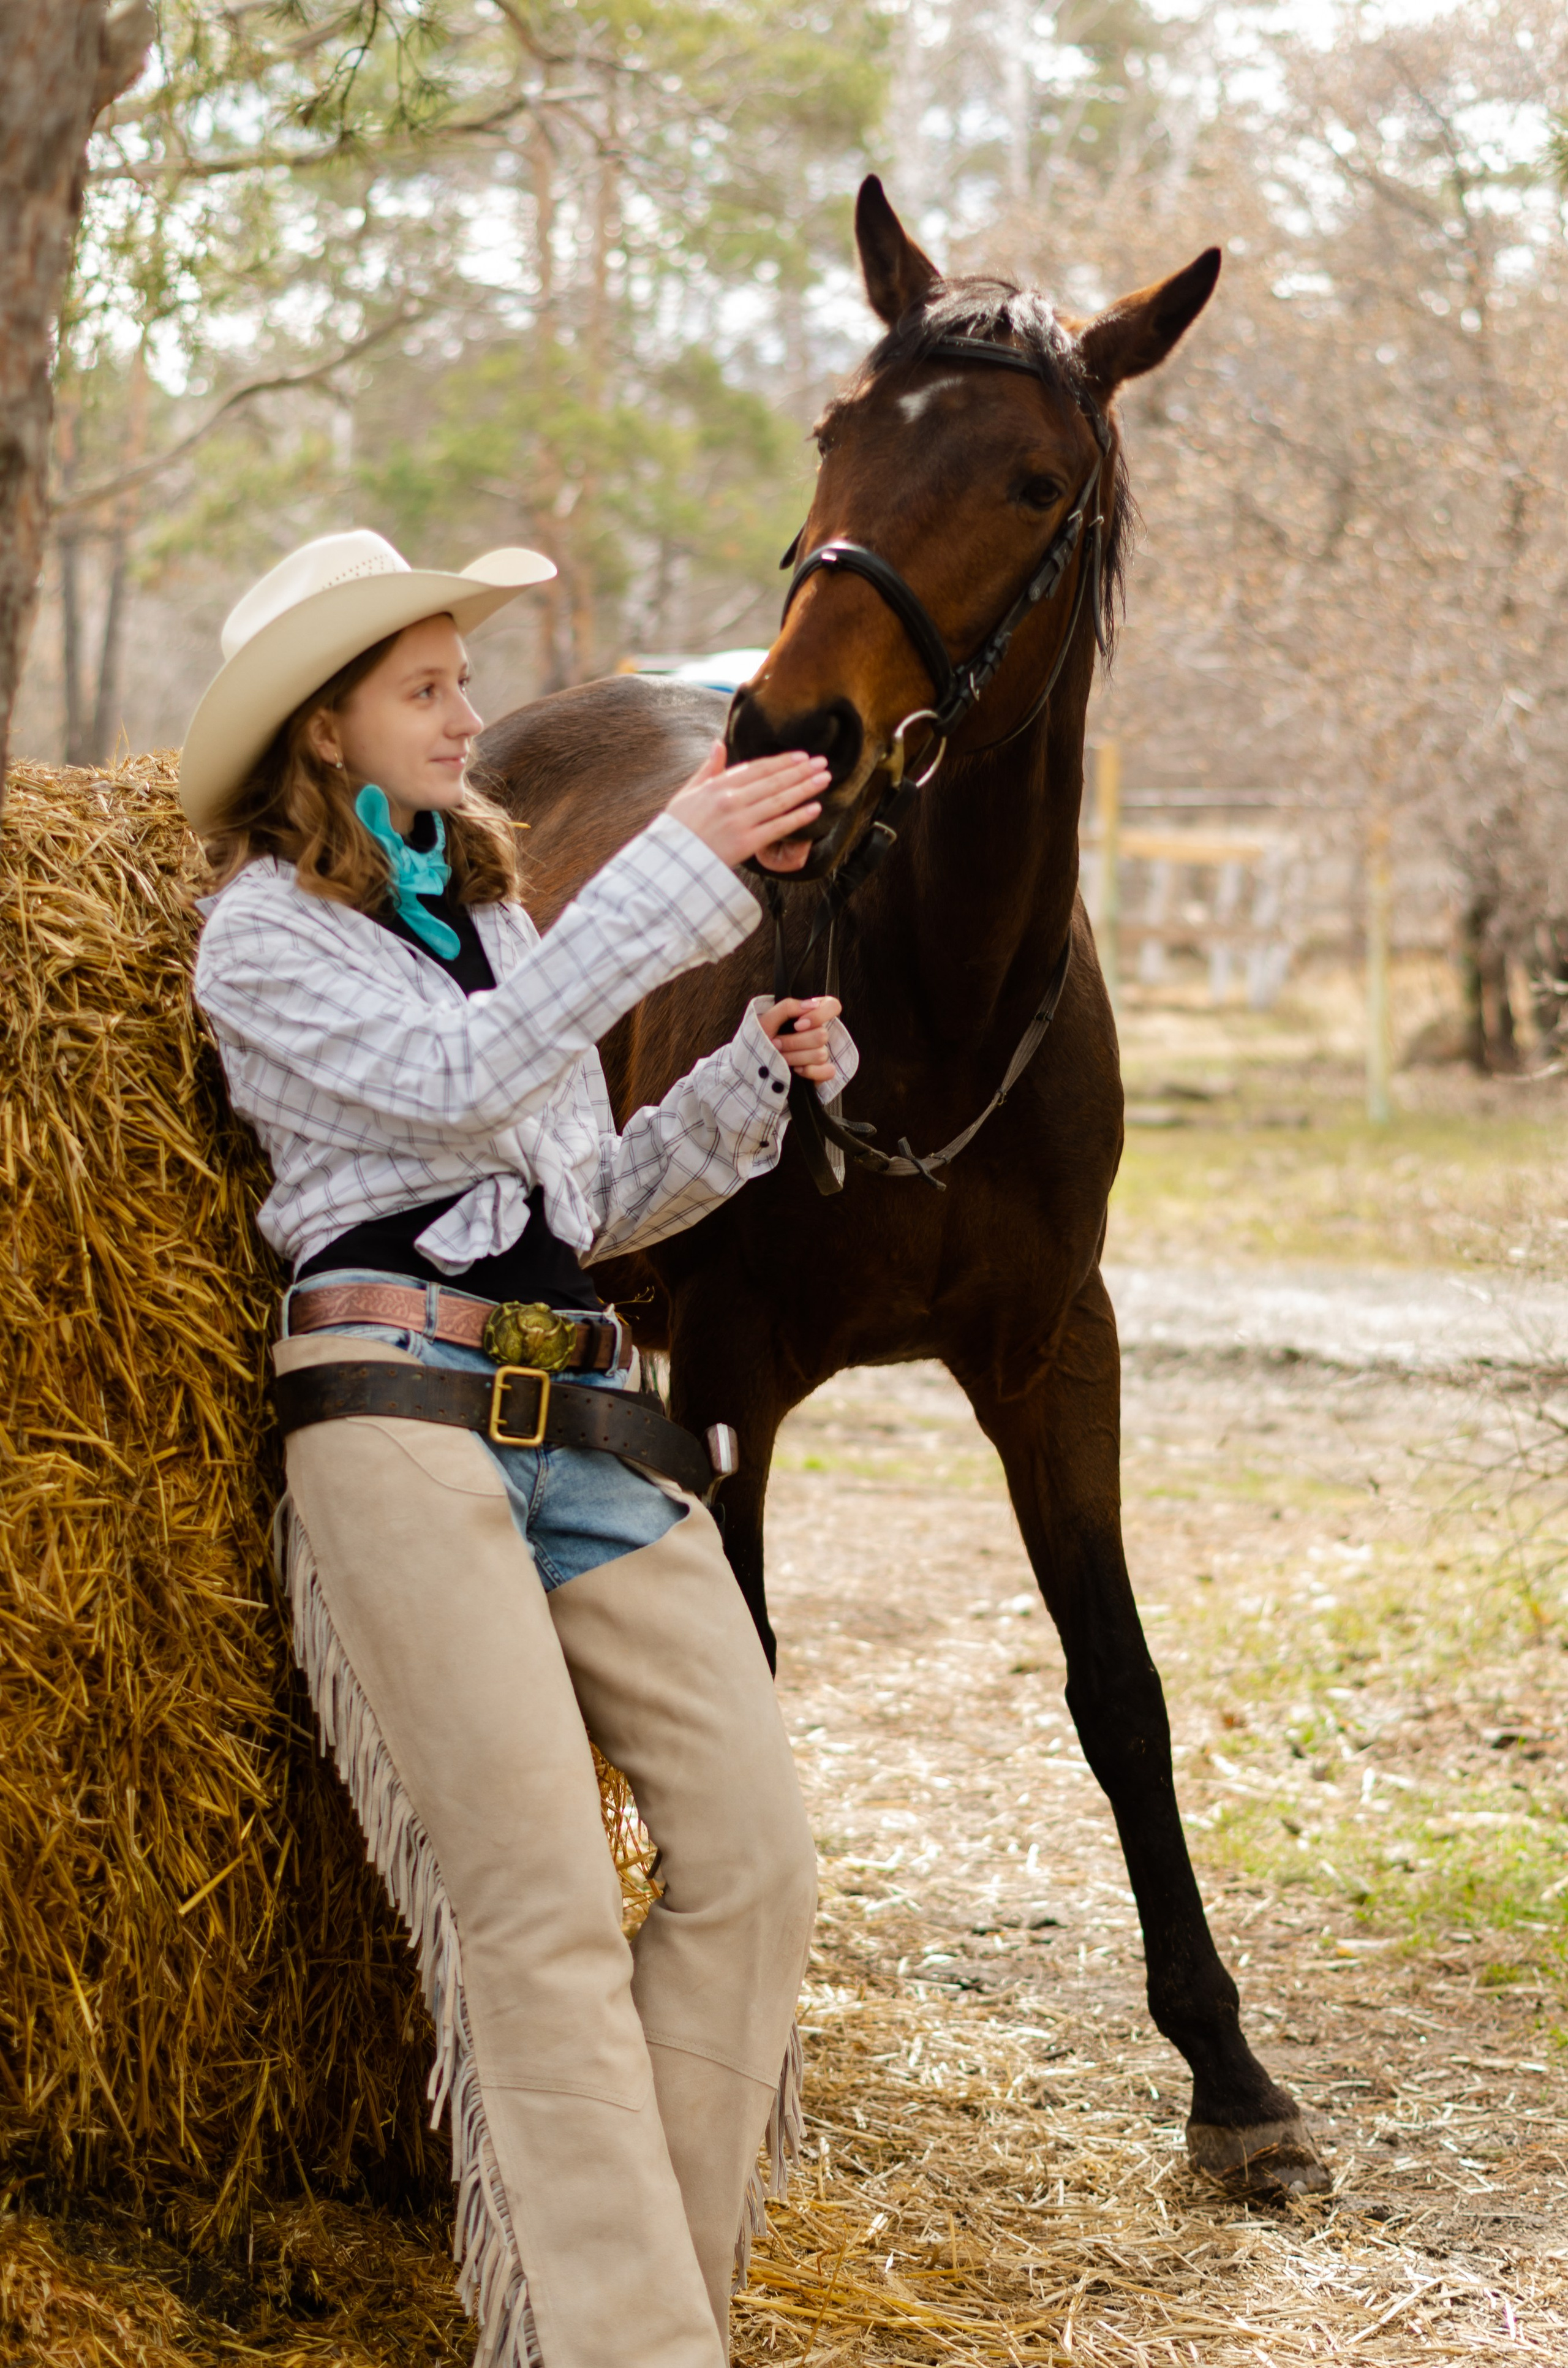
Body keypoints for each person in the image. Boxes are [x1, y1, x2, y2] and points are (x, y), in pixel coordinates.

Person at [181, 529, 856, 2368]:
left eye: (462, 679)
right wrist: (679, 860)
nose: (471, 713)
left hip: (579, 1413)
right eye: (427, 686)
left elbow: (581, 1187)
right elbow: (466, 1088)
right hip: (396, 1428)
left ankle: (645, 2319)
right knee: (544, 1910)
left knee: (755, 1858)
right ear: (320, 730)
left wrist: (748, 1085)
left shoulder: (484, 915)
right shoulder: (259, 940)